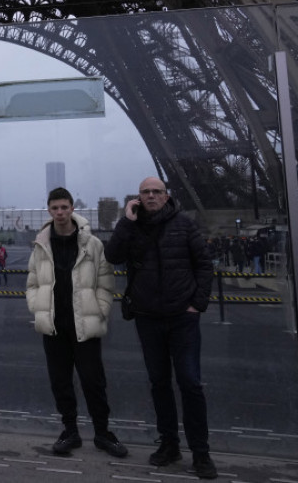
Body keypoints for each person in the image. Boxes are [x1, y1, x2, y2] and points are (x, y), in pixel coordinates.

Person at [105, 177, 216, 480]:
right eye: (146, 192)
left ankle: (201, 452)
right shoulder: (133, 225)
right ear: (137, 198)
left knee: (190, 383)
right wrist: (125, 222)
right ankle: (169, 444)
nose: (151, 196)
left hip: (183, 317)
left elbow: (205, 265)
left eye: (157, 192)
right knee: (159, 383)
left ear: (166, 197)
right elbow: (112, 256)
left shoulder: (185, 224)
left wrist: (197, 305)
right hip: (147, 317)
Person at [26, 187, 126, 458]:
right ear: (49, 210)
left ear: (72, 209)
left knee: (93, 381)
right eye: (55, 208)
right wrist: (38, 307)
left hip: (84, 322)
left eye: (64, 207)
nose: (60, 213)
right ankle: (70, 431)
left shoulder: (92, 244)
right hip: (55, 324)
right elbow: (32, 282)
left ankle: (102, 433)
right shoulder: (41, 245)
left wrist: (100, 309)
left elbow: (106, 282)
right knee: (60, 382)